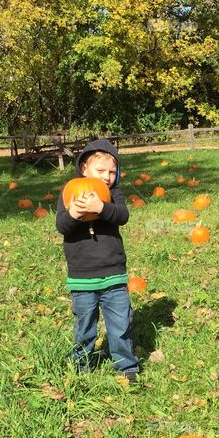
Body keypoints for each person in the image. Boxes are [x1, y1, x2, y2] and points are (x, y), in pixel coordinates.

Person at [55, 138, 139, 383]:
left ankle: (126, 366)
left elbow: (122, 216)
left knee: (120, 323)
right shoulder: (70, 192)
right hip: (82, 276)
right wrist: (74, 213)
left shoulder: (113, 194)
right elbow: (62, 226)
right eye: (100, 171)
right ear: (84, 170)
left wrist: (101, 207)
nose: (106, 177)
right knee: (85, 325)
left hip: (114, 272)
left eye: (112, 172)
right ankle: (81, 365)